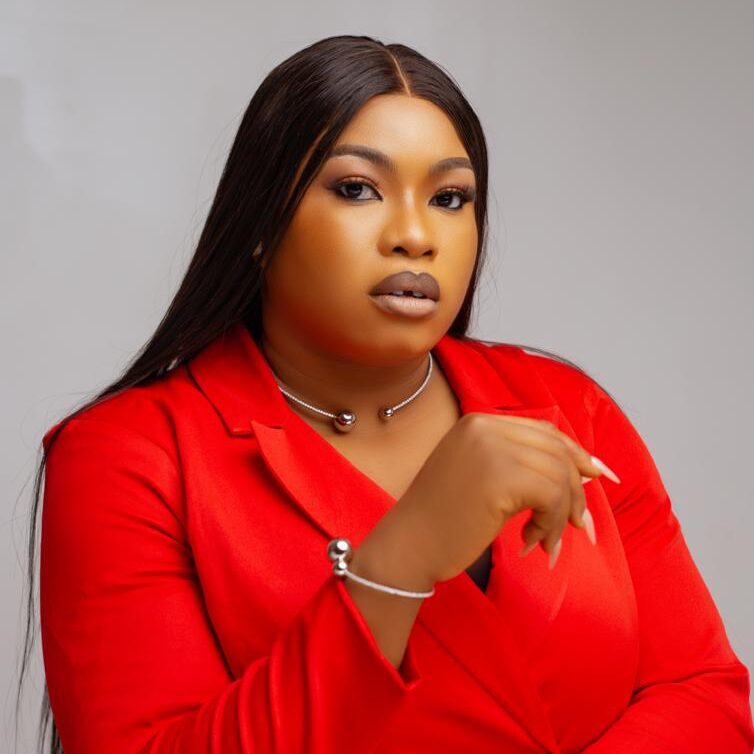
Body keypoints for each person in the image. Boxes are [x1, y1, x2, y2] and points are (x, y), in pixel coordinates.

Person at [20, 34, 753, 754]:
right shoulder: (127, 457)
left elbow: (705, 695)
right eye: (356, 189)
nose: (415, 234)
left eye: (450, 197)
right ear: (260, 223)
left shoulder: (571, 408)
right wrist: (400, 559)